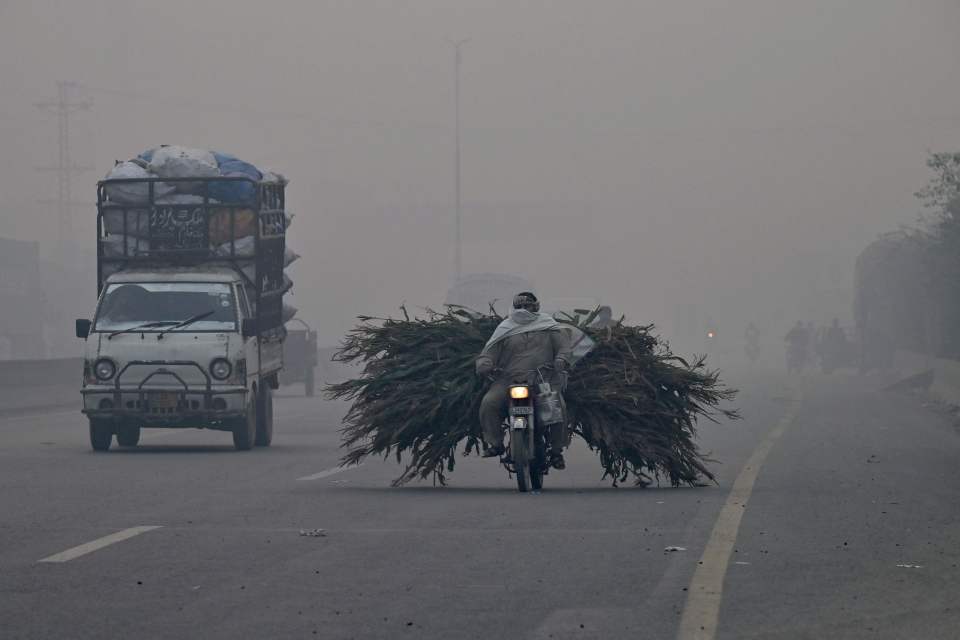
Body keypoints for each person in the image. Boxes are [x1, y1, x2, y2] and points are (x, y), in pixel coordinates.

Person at [475, 292, 572, 469]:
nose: (523, 310)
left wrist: (561, 360)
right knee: (489, 403)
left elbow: (564, 348)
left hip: (544, 380)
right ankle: (495, 443)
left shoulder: (549, 326)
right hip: (508, 380)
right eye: (520, 307)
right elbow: (488, 352)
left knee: (559, 408)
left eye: (527, 306)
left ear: (536, 307)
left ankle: (557, 450)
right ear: (514, 308)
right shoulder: (505, 328)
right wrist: (484, 363)